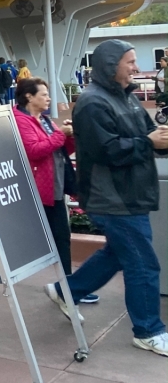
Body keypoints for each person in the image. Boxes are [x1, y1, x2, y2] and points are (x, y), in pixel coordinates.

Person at [46, 40, 168, 357]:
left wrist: (160, 140)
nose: (137, 67)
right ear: (111, 65)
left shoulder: (126, 98)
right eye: (130, 61)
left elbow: (148, 135)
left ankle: (65, 291)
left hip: (130, 194)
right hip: (113, 197)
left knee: (117, 254)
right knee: (142, 264)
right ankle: (148, 330)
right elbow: (108, 151)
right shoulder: (92, 104)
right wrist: (148, 142)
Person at [0, 77, 90, 300]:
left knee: (60, 238)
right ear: (29, 97)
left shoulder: (45, 120)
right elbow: (34, 150)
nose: (49, 98)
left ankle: (68, 289)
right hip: (34, 191)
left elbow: (59, 150)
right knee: (27, 240)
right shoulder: (21, 121)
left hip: (53, 188)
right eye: (44, 94)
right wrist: (60, 135)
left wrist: (69, 137)